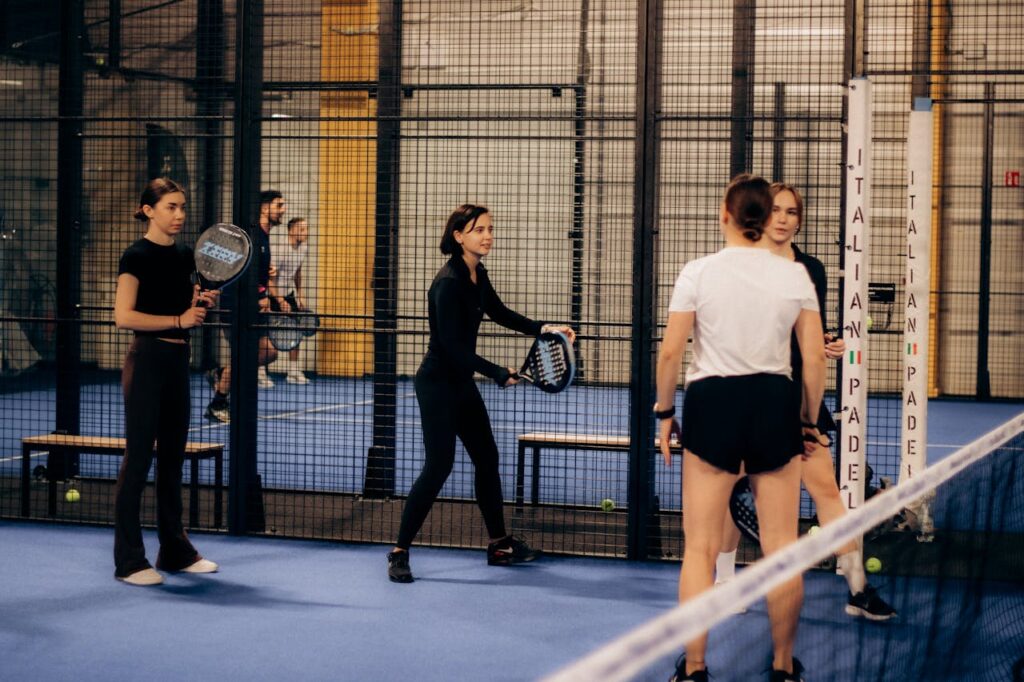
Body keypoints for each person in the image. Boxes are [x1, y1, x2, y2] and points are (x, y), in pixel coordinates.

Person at [655, 175, 826, 681]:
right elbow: (813, 359)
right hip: (775, 401)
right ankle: (781, 666)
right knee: (781, 548)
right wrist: (807, 422)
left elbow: (670, 353)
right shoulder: (795, 275)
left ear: (725, 214)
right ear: (765, 217)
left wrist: (665, 414)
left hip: (714, 402)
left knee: (699, 548)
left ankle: (695, 667)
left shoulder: (698, 272)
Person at [713, 182, 897, 621]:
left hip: (799, 401)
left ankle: (856, 587)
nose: (782, 218)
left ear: (800, 219)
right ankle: (724, 582)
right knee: (734, 490)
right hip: (749, 395)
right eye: (775, 210)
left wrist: (823, 342)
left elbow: (806, 328)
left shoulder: (810, 269)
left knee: (827, 490)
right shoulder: (743, 264)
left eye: (791, 212)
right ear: (760, 215)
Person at [386, 204, 576, 583]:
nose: (487, 235)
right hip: (438, 384)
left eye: (490, 228)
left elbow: (501, 312)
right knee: (438, 466)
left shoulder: (477, 273)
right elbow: (454, 349)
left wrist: (544, 328)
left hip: (461, 384)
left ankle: (499, 544)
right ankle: (399, 551)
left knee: (486, 458)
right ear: (458, 236)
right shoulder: (448, 283)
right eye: (478, 230)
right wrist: (497, 372)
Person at [112, 178, 220, 585]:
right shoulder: (135, 256)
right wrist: (178, 319)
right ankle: (129, 561)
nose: (179, 214)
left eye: (182, 207)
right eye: (171, 207)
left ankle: (175, 551)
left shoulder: (187, 256)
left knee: (173, 460)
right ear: (148, 210)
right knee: (138, 460)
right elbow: (124, 316)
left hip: (178, 360)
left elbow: (189, 304)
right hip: (147, 361)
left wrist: (202, 304)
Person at [204, 190, 284, 421]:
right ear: (264, 208)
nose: (283, 210)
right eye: (279, 205)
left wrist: (266, 277)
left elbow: (254, 273)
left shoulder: (264, 238)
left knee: (268, 352)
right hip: (235, 309)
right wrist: (260, 294)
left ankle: (220, 373)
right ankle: (217, 403)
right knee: (248, 355)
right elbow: (237, 273)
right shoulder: (253, 236)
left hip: (252, 310)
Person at [268, 216, 311, 385]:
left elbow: (297, 273)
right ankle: (260, 373)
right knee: (266, 333)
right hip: (272, 295)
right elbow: (269, 278)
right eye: (302, 229)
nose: (306, 233)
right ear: (291, 230)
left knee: (296, 330)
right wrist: (279, 300)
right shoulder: (279, 249)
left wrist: (300, 295)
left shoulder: (303, 248)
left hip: (289, 294)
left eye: (306, 229)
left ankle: (293, 371)